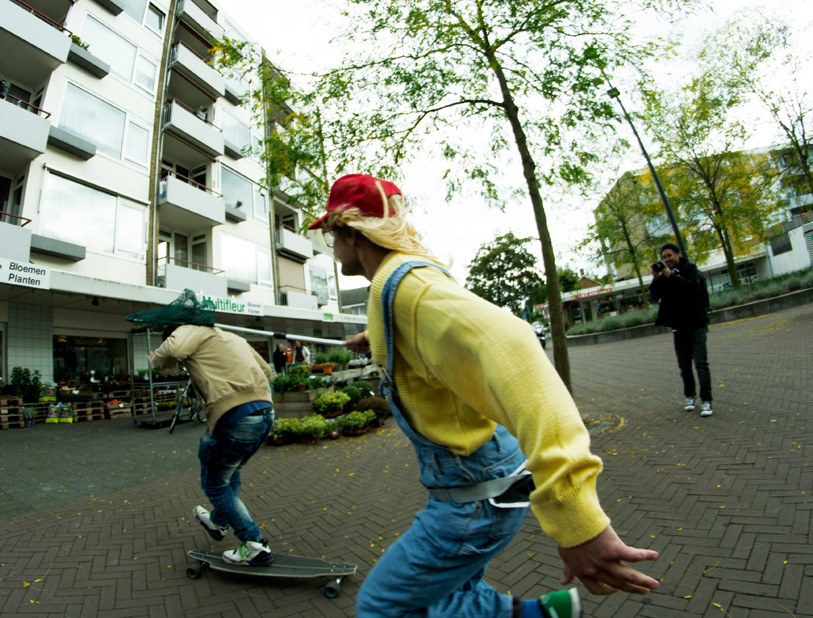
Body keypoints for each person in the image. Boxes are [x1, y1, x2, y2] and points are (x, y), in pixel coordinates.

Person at [308, 173, 660, 618]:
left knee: (382, 606)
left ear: (351, 234)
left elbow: (511, 342)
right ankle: (544, 613)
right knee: (443, 594)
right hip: (483, 486)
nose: (329, 244)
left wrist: (577, 523)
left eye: (329, 234)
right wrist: (381, 340)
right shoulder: (403, 286)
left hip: (474, 499)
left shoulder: (408, 291)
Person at [150, 323, 276, 566]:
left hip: (236, 418)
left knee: (214, 484)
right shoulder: (230, 336)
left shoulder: (189, 331)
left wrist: (157, 357)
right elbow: (265, 370)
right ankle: (217, 523)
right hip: (265, 413)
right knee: (230, 472)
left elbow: (173, 351)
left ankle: (253, 544)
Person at [649, 242, 712, 417]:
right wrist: (655, 277)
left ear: (677, 254)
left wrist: (672, 276)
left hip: (696, 323)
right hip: (678, 326)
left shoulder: (690, 268)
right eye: (664, 257)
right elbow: (655, 295)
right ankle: (690, 396)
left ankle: (706, 400)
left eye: (669, 256)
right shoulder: (664, 275)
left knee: (701, 363)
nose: (667, 260)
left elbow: (691, 288)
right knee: (684, 366)